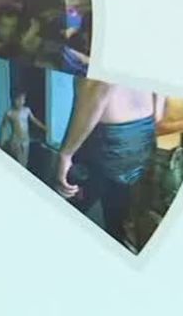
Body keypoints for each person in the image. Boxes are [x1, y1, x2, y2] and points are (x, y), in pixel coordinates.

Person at [54, 79, 164, 245]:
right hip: (143, 131)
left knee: (67, 203)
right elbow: (159, 109)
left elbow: (98, 87)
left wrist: (66, 153)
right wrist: (156, 111)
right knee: (119, 219)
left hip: (109, 139)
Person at [0, 88, 43, 166]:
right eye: (18, 99)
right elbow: (3, 127)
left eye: (22, 99)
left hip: (25, 140)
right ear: (13, 100)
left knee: (24, 161)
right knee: (17, 162)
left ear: (24, 100)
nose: (20, 102)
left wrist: (44, 128)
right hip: (15, 141)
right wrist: (2, 141)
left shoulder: (27, 110)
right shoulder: (9, 113)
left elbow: (34, 120)